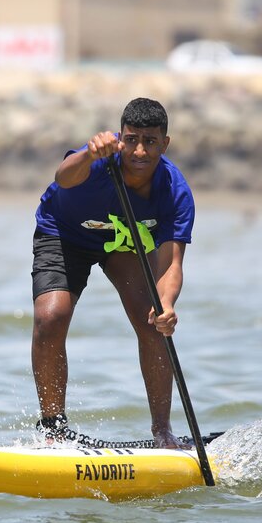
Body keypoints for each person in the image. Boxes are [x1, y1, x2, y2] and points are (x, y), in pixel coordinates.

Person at [30, 97, 194, 448]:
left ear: (164, 144)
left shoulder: (175, 192)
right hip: (63, 234)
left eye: (150, 142)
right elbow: (63, 177)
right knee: (51, 316)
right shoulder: (96, 161)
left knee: (153, 322)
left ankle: (163, 433)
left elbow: (171, 263)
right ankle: (53, 430)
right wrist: (89, 155)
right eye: (131, 139)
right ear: (120, 138)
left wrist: (166, 304)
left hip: (121, 243)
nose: (139, 151)